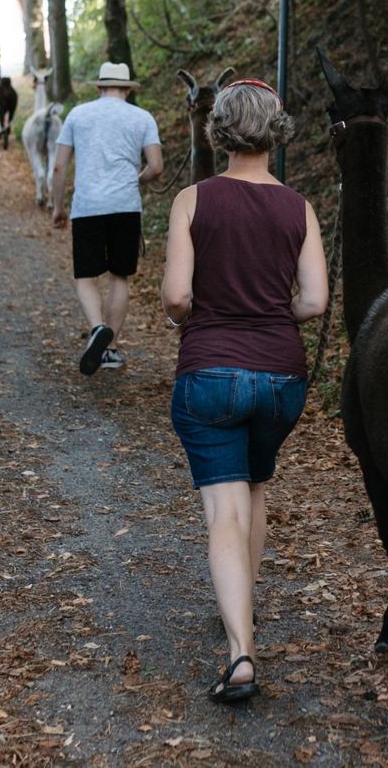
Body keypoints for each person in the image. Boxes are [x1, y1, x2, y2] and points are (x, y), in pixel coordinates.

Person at [160, 79, 327, 705]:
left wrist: (204, 313)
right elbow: (313, 301)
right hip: (282, 381)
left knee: (224, 510)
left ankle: (240, 653)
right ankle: (242, 612)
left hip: (210, 375)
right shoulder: (299, 208)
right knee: (255, 489)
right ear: (275, 132)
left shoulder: (192, 201)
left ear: (220, 131)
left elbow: (177, 296)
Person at [50, 61, 164, 375]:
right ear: (127, 89)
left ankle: (98, 327)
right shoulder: (142, 118)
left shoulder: (78, 115)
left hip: (87, 207)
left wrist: (58, 207)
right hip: (126, 206)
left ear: (99, 87)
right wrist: (135, 179)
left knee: (86, 276)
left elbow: (59, 167)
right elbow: (156, 167)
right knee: (119, 276)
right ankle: (110, 349)